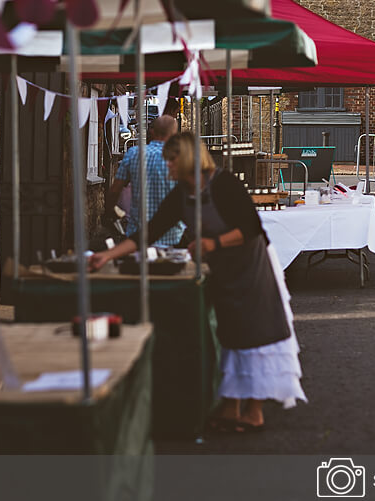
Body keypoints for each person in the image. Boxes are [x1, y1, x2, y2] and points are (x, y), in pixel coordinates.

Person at [90, 132, 306, 433]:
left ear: (188, 158)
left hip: (250, 266)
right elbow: (148, 233)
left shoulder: (224, 184)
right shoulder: (182, 193)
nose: (168, 167)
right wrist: (106, 256)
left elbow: (252, 228)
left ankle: (254, 412)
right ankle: (231, 407)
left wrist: (213, 243)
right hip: (221, 268)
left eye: (171, 161)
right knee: (230, 333)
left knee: (255, 334)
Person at [105, 115, 184, 246]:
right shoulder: (180, 157)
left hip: (138, 235)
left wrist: (109, 213)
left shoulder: (134, 153)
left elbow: (115, 190)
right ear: (174, 134)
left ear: (152, 132)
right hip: (173, 234)